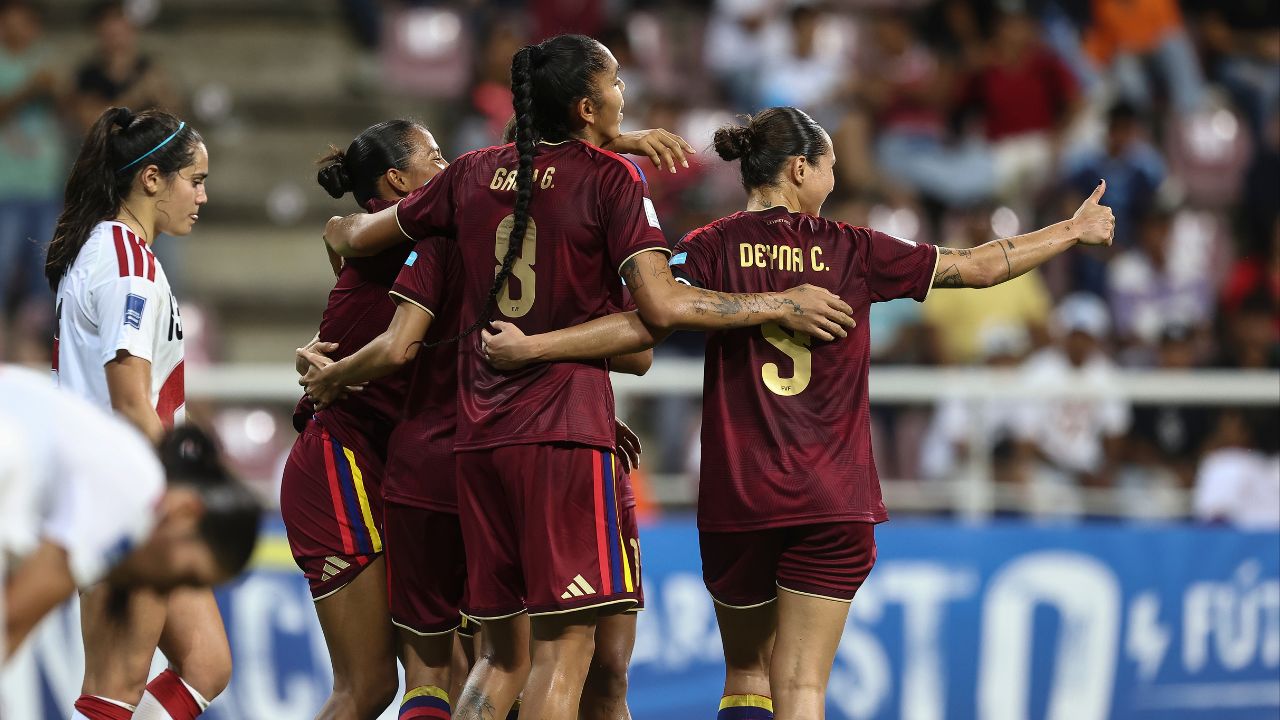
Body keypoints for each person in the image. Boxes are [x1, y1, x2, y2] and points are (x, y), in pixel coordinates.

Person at [481, 106, 1115, 719]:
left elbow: (637, 327)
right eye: (830, 166)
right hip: (832, 494)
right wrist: (1071, 230)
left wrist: (537, 351)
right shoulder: (857, 250)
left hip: (740, 494)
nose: (836, 181)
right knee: (804, 686)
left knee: (746, 675)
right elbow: (978, 267)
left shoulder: (706, 248)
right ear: (798, 171)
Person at [316, 34, 856, 720]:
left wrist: (340, 232)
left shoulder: (471, 172)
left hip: (478, 438)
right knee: (561, 657)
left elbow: (368, 235)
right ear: (583, 104)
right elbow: (656, 313)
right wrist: (783, 301)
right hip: (562, 435)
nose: (625, 95)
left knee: (498, 657)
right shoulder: (610, 182)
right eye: (616, 84)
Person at [44, 106, 226, 720]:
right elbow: (129, 401)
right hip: (118, 490)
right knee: (114, 686)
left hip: (118, 484)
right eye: (194, 180)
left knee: (206, 665)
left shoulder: (108, 249)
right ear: (152, 179)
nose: (203, 195)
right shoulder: (129, 269)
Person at [280, 119, 449, 720]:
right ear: (397, 179)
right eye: (434, 156)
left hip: (398, 464)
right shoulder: (382, 233)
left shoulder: (433, 239)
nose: (448, 164)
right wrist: (340, 366)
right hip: (341, 460)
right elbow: (343, 237)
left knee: (445, 670)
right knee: (368, 686)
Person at [0, 365, 260, 668]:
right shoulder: (133, 500)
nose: (169, 590)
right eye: (188, 576)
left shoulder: (131, 470)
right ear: (185, 512)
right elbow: (14, 620)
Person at [0, 0, 62, 363]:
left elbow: (72, 110)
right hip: (6, 189)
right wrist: (30, 90)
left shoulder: (48, 58)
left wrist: (56, 92)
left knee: (46, 275)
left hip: (45, 187)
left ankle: (35, 349)